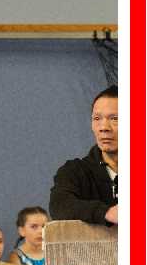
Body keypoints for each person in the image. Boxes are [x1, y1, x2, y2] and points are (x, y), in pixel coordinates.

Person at [49, 85, 119, 226]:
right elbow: (60, 205)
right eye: (97, 118)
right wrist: (106, 213)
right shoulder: (74, 171)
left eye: (115, 118)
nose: (103, 127)